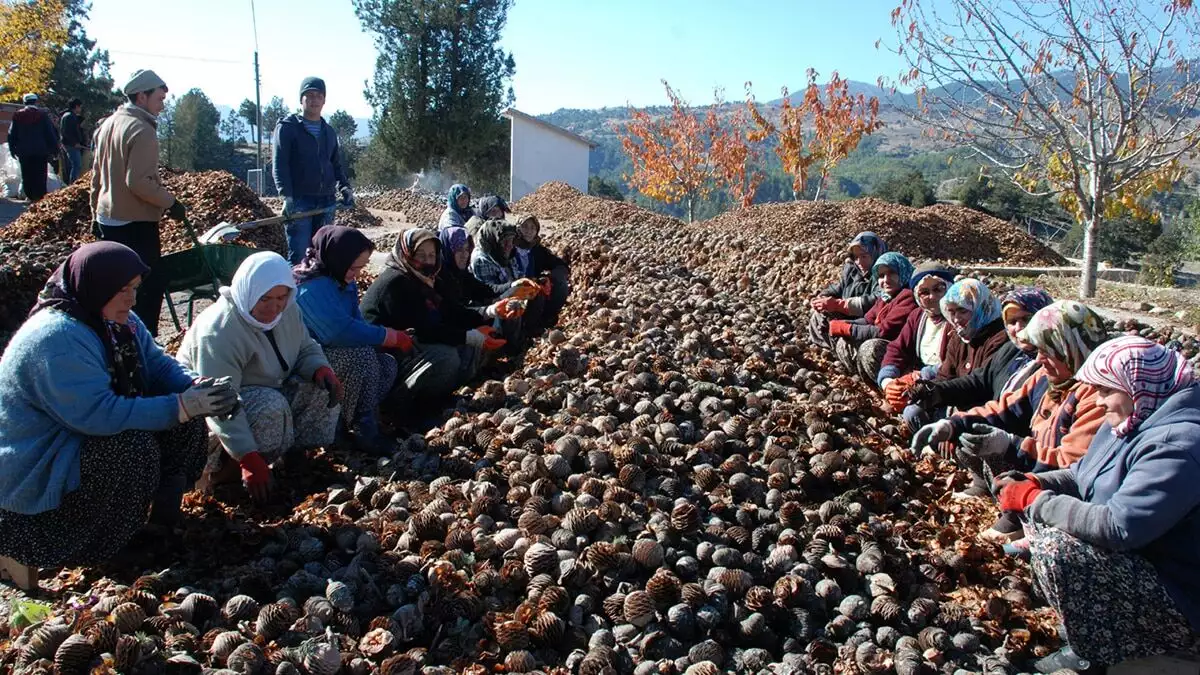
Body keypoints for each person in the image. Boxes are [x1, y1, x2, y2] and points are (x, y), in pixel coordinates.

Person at [0, 242, 235, 570]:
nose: (133, 299)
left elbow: (156, 364)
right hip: (37, 473)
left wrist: (194, 387)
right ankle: (104, 548)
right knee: (130, 450)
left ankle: (159, 523)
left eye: (135, 288)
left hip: (80, 439)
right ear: (94, 286)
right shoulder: (55, 339)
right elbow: (100, 415)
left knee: (188, 422)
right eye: (122, 290)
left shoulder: (116, 319)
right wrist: (181, 405)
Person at [996, 337, 1200, 672]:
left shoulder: (1178, 444)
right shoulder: (1131, 419)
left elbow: (1119, 526)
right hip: (1144, 561)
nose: (1099, 401)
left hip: (1180, 589)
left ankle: (1102, 646)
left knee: (1056, 547)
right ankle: (1094, 623)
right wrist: (1038, 482)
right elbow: (1082, 473)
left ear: (1137, 385)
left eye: (1106, 391)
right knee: (1048, 525)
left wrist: (1033, 500)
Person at [912, 300, 1109, 541]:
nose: (1037, 359)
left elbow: (1072, 466)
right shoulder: (1046, 379)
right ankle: (1015, 512)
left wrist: (1011, 445)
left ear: (1069, 349)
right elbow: (1004, 408)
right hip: (1038, 467)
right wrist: (953, 424)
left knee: (1001, 447)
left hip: (1066, 493)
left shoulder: (1098, 397)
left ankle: (1025, 520)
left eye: (1047, 351)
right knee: (976, 435)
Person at [178, 252, 343, 503]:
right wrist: (247, 456)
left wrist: (319, 367)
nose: (274, 307)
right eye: (265, 298)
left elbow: (305, 346)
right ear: (248, 291)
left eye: (280, 297)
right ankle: (221, 477)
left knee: (320, 387)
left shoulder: (287, 311)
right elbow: (218, 402)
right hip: (210, 418)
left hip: (268, 390)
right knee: (270, 405)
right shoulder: (220, 330)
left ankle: (294, 459)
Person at [293, 227, 411, 455]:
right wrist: (388, 335)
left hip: (335, 354)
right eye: (353, 267)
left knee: (386, 364)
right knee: (361, 357)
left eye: (361, 267)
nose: (356, 273)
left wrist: (385, 338)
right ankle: (358, 431)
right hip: (310, 359)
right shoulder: (309, 288)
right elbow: (337, 333)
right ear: (338, 259)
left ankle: (361, 419)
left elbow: (357, 322)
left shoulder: (343, 280)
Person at [90, 69, 187, 338]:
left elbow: (96, 176)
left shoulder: (109, 124)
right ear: (142, 96)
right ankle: (144, 342)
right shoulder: (142, 130)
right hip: (135, 222)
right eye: (159, 97)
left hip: (108, 217)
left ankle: (113, 336)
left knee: (115, 286)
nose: (163, 104)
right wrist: (171, 203)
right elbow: (139, 182)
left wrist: (94, 213)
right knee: (146, 288)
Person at [362, 229, 508, 404]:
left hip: (416, 339)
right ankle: (407, 403)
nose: (427, 261)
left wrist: (490, 311)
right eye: (420, 255)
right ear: (406, 253)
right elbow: (423, 329)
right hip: (385, 353)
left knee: (468, 342)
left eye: (431, 255)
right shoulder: (395, 282)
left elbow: (452, 311)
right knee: (447, 356)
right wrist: (470, 337)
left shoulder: (429, 279)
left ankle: (448, 393)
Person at [905, 287, 1053, 418]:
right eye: (1012, 322)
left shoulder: (1053, 363)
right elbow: (979, 381)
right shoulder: (1013, 351)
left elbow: (1017, 413)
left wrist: (964, 422)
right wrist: (934, 391)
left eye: (1027, 319)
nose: (1019, 328)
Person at [272, 77, 353, 264]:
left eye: (318, 95)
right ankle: (297, 292)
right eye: (309, 95)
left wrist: (345, 188)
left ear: (324, 100)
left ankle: (317, 291)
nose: (314, 100)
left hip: (326, 200)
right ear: (301, 99)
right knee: (300, 255)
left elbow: (335, 165)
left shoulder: (329, 132)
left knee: (323, 255)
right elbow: (280, 164)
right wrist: (287, 196)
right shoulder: (288, 128)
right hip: (300, 201)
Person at [875, 262, 957, 424]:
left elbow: (954, 363)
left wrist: (919, 377)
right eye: (924, 292)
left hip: (946, 381)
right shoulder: (918, 316)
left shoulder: (957, 318)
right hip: (917, 375)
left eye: (938, 289)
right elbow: (897, 348)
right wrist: (889, 382)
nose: (932, 297)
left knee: (914, 412)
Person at [827, 252, 917, 382]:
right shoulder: (885, 297)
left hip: (901, 354)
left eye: (892, 273)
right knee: (844, 342)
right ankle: (868, 382)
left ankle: (893, 387)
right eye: (881, 276)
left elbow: (884, 331)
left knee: (870, 348)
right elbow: (868, 319)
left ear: (902, 271)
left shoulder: (908, 297)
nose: (886, 280)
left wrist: (847, 328)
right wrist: (842, 323)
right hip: (886, 345)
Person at [470, 219, 548, 346]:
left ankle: (528, 332)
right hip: (491, 304)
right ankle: (511, 347)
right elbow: (489, 292)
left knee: (536, 292)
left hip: (507, 291)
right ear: (493, 241)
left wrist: (532, 282)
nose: (509, 245)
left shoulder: (507, 253)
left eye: (511, 241)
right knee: (513, 308)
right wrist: (513, 290)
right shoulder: (482, 260)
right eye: (504, 242)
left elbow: (517, 275)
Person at [808, 231, 888, 348]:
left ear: (875, 254)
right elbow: (838, 288)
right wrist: (822, 297)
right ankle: (831, 349)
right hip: (850, 316)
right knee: (820, 315)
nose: (859, 262)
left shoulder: (884, 274)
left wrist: (839, 305)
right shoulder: (852, 271)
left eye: (864, 256)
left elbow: (877, 299)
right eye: (856, 257)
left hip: (867, 323)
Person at [512, 214, 571, 329]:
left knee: (559, 284)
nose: (529, 231)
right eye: (525, 227)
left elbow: (560, 265)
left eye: (533, 228)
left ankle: (545, 320)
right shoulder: (510, 247)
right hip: (512, 287)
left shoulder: (538, 250)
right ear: (518, 228)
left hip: (533, 288)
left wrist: (552, 277)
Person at [7, 93, 60, 203]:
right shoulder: (42, 115)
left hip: (24, 152)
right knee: (40, 175)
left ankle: (29, 196)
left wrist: (12, 149)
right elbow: (50, 133)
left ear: (24, 102)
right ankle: (40, 198)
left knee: (27, 175)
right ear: (36, 102)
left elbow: (12, 134)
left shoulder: (18, 115)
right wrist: (55, 149)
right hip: (40, 152)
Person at [59, 98, 85, 184]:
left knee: (75, 165)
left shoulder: (68, 115)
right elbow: (67, 132)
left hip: (70, 144)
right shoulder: (69, 116)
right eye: (80, 107)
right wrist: (74, 143)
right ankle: (73, 184)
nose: (80, 109)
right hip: (71, 145)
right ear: (76, 106)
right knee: (76, 165)